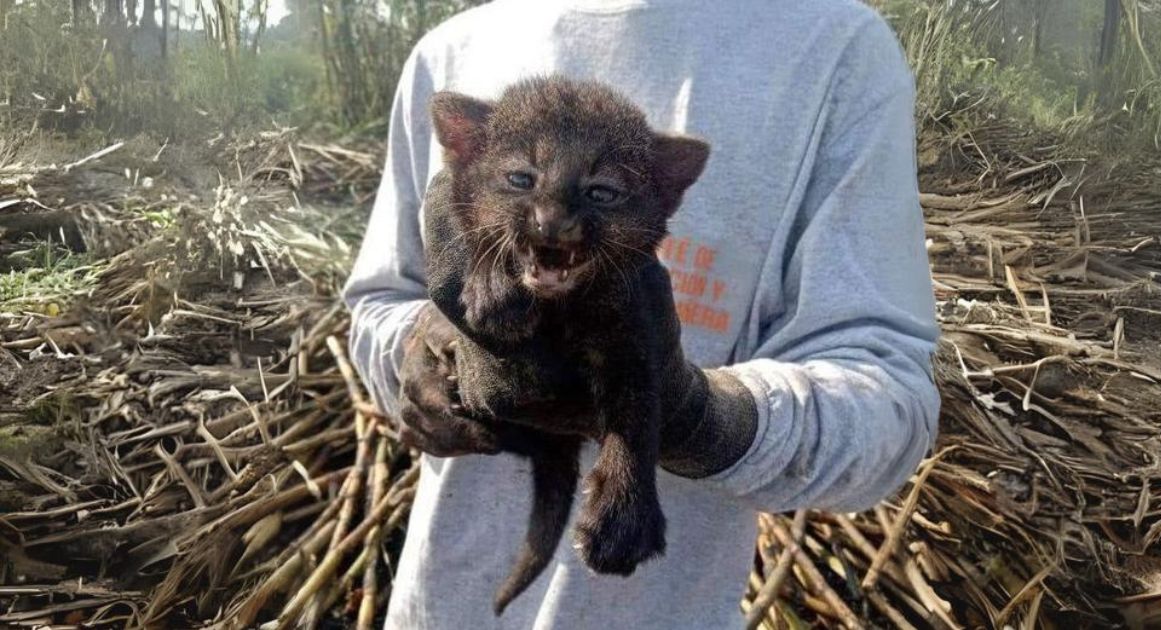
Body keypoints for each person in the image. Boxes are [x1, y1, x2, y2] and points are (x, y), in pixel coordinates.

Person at [342, 0, 941, 627]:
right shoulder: (450, 49)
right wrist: (421, 350)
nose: (551, 220)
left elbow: (891, 397)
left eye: (601, 194)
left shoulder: (835, 53)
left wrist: (696, 419)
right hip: (438, 607)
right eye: (524, 182)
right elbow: (379, 304)